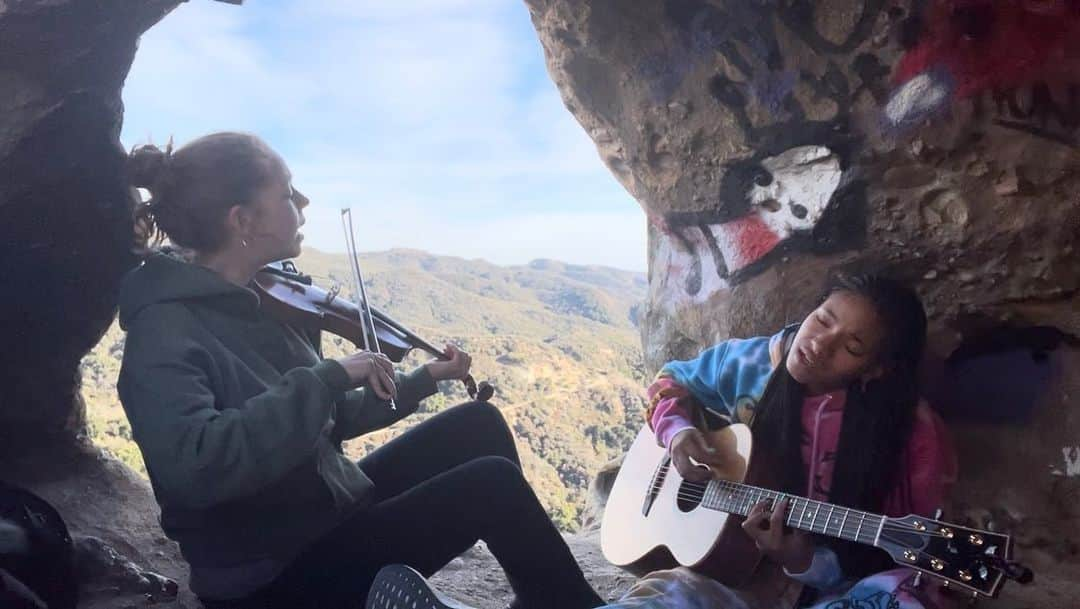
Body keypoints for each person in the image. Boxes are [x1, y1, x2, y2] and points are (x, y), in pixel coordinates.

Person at [117, 132, 604, 609]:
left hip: (320, 513)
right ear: (242, 219)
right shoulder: (165, 330)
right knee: (490, 486)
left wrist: (425, 378)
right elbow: (194, 467)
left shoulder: (260, 301)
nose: (304, 202)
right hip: (271, 575)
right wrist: (328, 376)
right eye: (287, 193)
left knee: (478, 425)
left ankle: (540, 593)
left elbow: (330, 416)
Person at [599, 272, 960, 609]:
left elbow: (892, 558)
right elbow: (670, 381)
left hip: (827, 590)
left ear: (876, 369)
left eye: (851, 347)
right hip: (724, 575)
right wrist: (676, 431)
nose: (819, 344)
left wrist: (802, 561)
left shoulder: (909, 431)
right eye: (822, 319)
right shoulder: (751, 363)